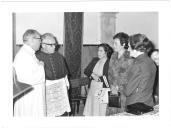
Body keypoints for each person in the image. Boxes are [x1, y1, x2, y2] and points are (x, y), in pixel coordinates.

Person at [36, 33, 71, 116]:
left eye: (55, 44)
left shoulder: (59, 56)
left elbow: (65, 74)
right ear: (43, 45)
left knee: (62, 112)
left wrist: (66, 83)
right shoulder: (36, 57)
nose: (54, 47)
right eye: (51, 45)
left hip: (60, 89)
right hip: (46, 89)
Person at [13, 29, 46, 116]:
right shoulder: (23, 55)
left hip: (33, 95)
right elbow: (28, 79)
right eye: (39, 39)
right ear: (31, 40)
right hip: (29, 97)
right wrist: (41, 66)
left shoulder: (29, 53)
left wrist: (39, 66)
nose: (41, 42)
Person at [124, 34, 156, 114]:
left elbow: (128, 91)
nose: (128, 50)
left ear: (135, 48)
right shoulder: (151, 62)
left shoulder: (137, 65)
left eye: (129, 47)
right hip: (148, 103)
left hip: (135, 104)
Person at [107, 32, 133, 115]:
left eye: (116, 43)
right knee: (111, 113)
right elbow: (109, 72)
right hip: (113, 90)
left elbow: (129, 75)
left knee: (122, 114)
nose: (113, 45)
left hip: (124, 92)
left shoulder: (130, 57)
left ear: (123, 44)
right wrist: (112, 86)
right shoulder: (113, 55)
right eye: (113, 43)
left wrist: (118, 87)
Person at [83, 43, 113, 116]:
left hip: (102, 88)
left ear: (106, 52)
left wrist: (99, 78)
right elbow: (86, 70)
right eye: (98, 50)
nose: (98, 53)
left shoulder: (109, 62)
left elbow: (109, 77)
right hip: (93, 87)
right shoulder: (95, 60)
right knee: (92, 108)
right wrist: (93, 75)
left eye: (101, 51)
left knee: (100, 109)